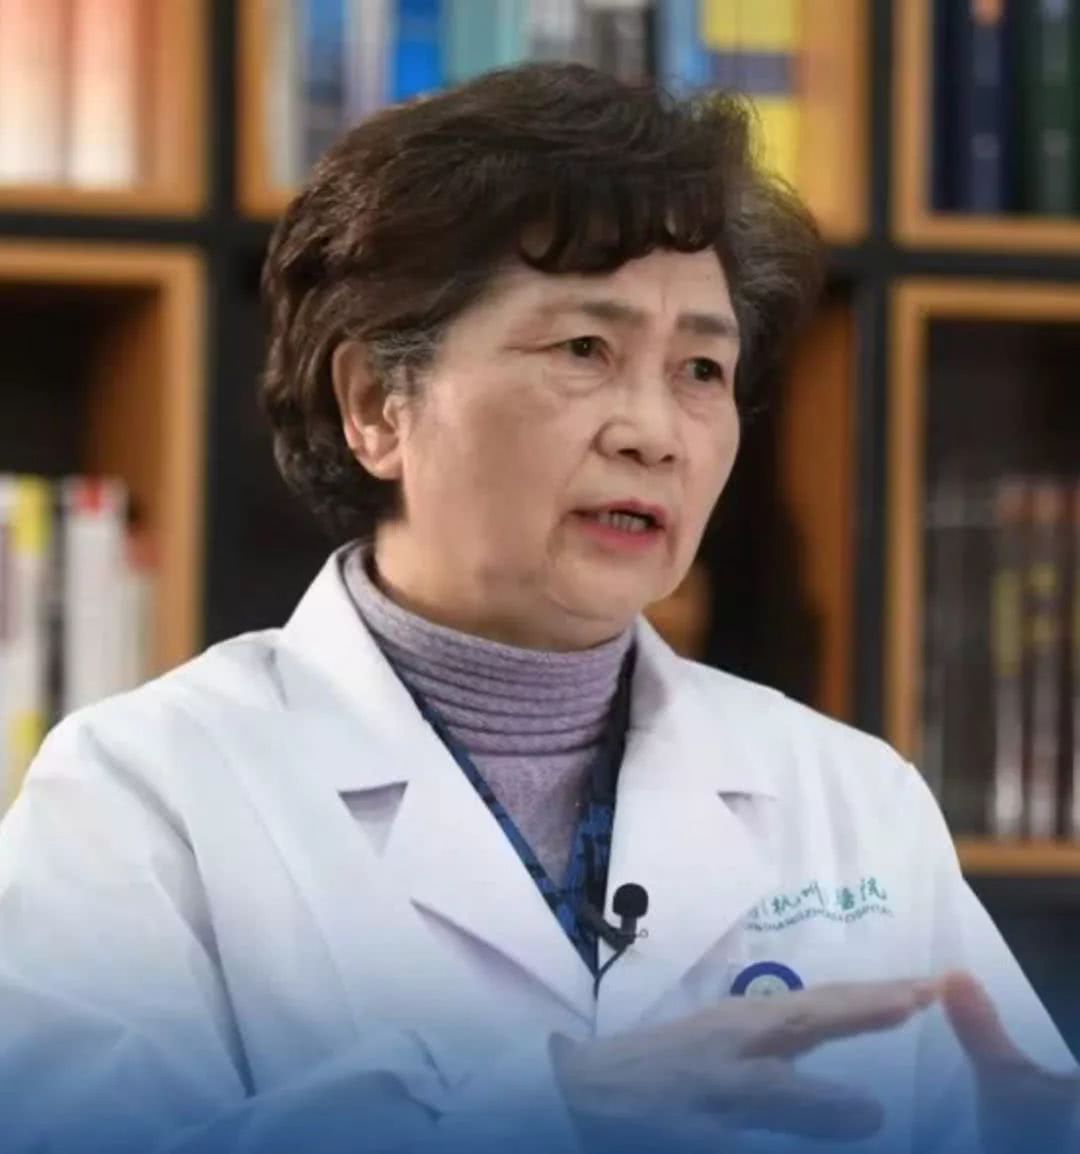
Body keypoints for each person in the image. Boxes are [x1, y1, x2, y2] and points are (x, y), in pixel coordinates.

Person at [0, 62, 1076, 1154]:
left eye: (702, 369)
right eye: (584, 350)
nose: (655, 433)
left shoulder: (849, 799)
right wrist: (553, 1109)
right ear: (375, 403)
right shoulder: (151, 792)